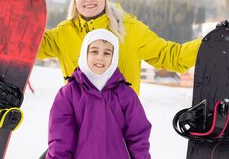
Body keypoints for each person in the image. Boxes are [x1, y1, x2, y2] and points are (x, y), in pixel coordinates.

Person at [0, 0, 204, 95]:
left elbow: (172, 57)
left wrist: (213, 42)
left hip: (120, 128)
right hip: (77, 128)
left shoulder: (128, 29)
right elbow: (24, 43)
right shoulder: (64, 33)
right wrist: (7, 2)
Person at [47, 29, 151, 158]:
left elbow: (138, 137)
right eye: (94, 51)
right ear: (85, 53)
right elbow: (60, 140)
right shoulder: (69, 94)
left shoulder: (126, 95)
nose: (100, 57)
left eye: (107, 53)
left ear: (114, 57)